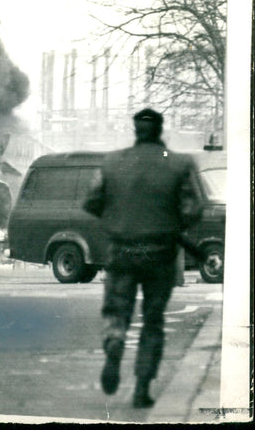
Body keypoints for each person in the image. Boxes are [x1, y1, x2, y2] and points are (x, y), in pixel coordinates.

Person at [83, 108, 201, 408]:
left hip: (121, 250)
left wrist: (119, 218)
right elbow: (192, 210)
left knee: (117, 311)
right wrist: (169, 222)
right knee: (152, 320)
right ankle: (142, 388)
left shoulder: (111, 162)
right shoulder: (179, 164)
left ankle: (114, 346)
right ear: (160, 130)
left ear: (135, 130)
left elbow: (92, 201)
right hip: (160, 253)